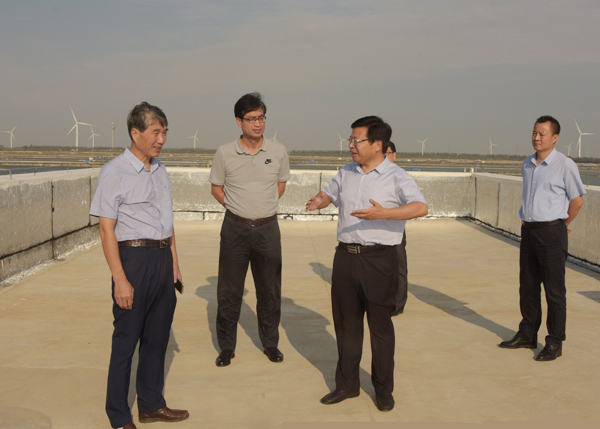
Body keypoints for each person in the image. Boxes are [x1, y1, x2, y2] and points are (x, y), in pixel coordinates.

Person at [306, 116, 428, 412]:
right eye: (350, 139)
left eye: (356, 140)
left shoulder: (396, 176)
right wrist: (320, 200)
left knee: (380, 328)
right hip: (345, 258)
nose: (351, 145)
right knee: (346, 326)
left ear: (377, 144)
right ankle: (347, 385)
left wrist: (383, 213)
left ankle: (383, 390)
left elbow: (420, 207)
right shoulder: (346, 172)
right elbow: (330, 193)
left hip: (379, 260)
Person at [90, 102, 188, 429]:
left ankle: (151, 404)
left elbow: (167, 223)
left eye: (165, 132)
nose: (161, 139)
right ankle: (119, 417)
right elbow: (106, 229)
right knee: (126, 342)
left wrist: (174, 265)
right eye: (155, 132)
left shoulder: (160, 171)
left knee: (157, 338)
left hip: (162, 260)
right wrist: (120, 279)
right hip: (133, 260)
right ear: (136, 133)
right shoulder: (114, 171)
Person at [209, 92, 291, 367]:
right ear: (239, 121)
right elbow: (216, 189)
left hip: (268, 230)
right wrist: (238, 208)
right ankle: (226, 347)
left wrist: (261, 208)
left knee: (269, 291)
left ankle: (270, 344)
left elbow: (280, 186)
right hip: (235, 230)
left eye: (261, 118)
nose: (258, 123)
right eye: (251, 118)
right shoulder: (224, 153)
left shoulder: (278, 151)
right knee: (229, 293)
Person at [498, 115, 585, 361]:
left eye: (542, 134)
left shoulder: (565, 165)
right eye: (534, 133)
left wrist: (562, 224)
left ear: (554, 138)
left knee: (554, 291)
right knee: (527, 286)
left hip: (551, 233)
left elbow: (577, 200)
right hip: (529, 231)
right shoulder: (527, 164)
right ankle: (527, 334)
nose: (536, 138)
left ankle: (554, 341)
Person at [385, 141, 408, 316]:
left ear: (394, 155)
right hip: (375, 227)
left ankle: (398, 304)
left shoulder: (401, 176)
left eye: (388, 154)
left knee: (398, 266)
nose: (385, 157)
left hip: (395, 229)